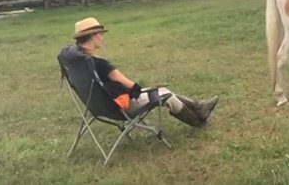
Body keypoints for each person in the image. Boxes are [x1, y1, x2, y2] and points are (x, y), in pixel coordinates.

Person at [59, 17, 218, 127]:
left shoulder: (77, 61)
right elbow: (131, 85)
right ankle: (198, 121)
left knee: (160, 91)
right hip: (122, 107)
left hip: (99, 107)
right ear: (92, 37)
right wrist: (141, 89)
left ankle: (198, 107)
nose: (102, 37)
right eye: (100, 34)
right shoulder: (100, 64)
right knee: (166, 95)